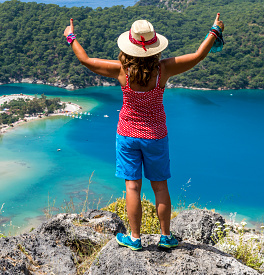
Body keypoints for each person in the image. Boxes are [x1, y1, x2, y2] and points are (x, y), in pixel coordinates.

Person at [63, 14, 224, 251]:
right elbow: (199, 55)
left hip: (127, 135)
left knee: (132, 187)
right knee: (160, 186)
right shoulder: (163, 70)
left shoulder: (121, 71)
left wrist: (70, 36)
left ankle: (135, 239)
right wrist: (214, 30)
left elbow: (86, 60)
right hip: (156, 135)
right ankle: (166, 237)